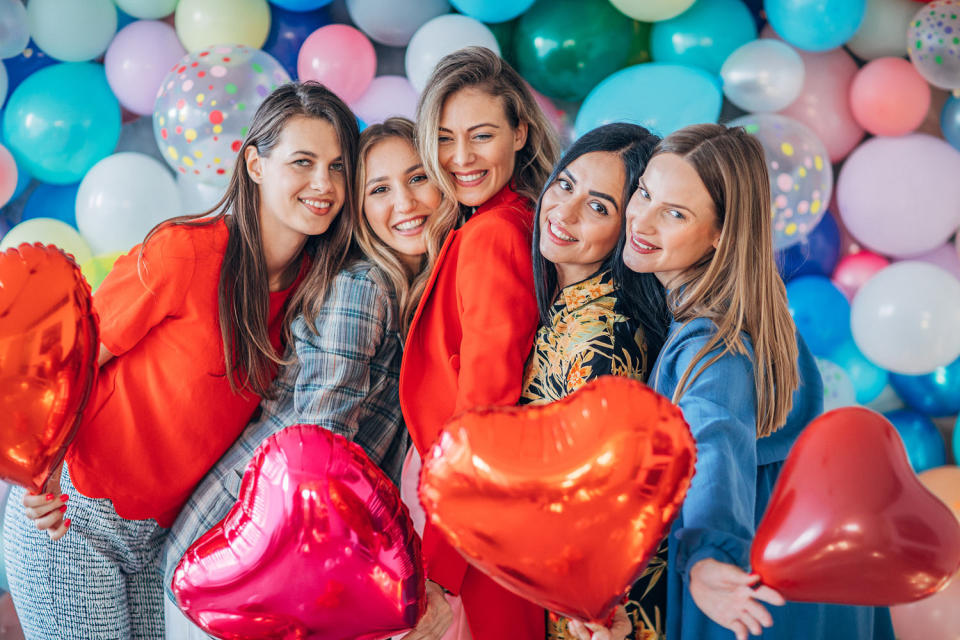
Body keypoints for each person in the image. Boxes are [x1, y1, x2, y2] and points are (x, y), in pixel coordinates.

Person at [2, 81, 359, 639]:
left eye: (339, 167)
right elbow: (68, 364)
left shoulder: (321, 293)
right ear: (256, 165)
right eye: (304, 162)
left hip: (160, 546)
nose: (324, 184)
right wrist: (38, 476)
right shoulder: (185, 251)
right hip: (75, 521)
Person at [161, 117, 454, 640]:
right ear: (360, 209)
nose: (405, 203)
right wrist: (393, 598)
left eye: (417, 178)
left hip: (282, 564)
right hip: (238, 552)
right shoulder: (365, 287)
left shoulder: (413, 298)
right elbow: (317, 459)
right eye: (379, 189)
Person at [618, 123, 895, 640]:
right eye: (645, 194)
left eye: (674, 214)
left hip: (750, 581)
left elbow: (713, 439)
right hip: (815, 564)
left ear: (721, 232)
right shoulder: (763, 317)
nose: (643, 220)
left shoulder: (709, 339)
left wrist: (707, 553)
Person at [398, 46, 560, 640]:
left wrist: (441, 571)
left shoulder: (493, 234)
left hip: (472, 525)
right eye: (443, 138)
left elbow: (484, 412)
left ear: (520, 132)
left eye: (481, 135)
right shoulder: (514, 220)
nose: (460, 158)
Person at [518, 122, 670, 640]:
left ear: (627, 228)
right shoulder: (569, 302)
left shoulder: (602, 336)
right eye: (566, 184)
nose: (566, 211)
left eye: (599, 206)